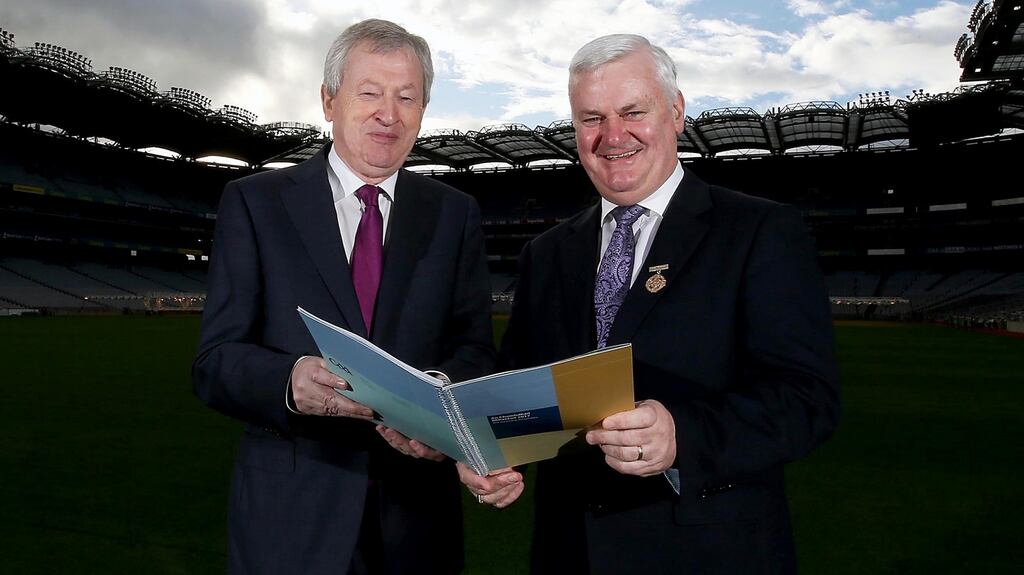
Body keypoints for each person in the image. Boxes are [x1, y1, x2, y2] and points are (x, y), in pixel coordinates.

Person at [459, 34, 839, 574]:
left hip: (709, 553)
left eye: (633, 111)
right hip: (569, 552)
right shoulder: (546, 254)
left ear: (677, 111)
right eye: (591, 118)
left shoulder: (760, 230)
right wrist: (489, 451)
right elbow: (517, 386)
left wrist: (683, 434)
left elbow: (807, 399)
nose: (613, 136)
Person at [192, 19, 495, 575]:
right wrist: (288, 382)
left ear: (424, 111)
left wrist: (439, 403)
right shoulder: (254, 203)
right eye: (371, 93)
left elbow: (474, 349)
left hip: (417, 520)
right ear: (329, 101)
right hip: (290, 519)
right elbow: (215, 361)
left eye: (407, 97)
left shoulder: (455, 213)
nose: (390, 113)